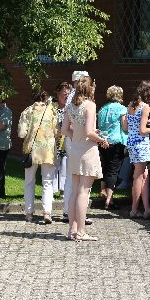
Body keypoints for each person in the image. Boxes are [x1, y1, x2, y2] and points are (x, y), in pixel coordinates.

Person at [61, 76, 108, 241]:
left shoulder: (70, 106)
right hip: (87, 151)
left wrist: (77, 136)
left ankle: (72, 230)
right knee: (83, 192)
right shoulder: (90, 105)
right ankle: (81, 231)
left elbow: (64, 130)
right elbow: (89, 131)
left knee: (74, 191)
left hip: (75, 150)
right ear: (90, 89)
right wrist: (102, 140)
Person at [17, 90, 58, 224]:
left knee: (29, 181)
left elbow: (21, 133)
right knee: (48, 182)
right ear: (45, 99)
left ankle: (29, 213)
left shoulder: (27, 111)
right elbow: (57, 131)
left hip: (31, 150)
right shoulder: (52, 111)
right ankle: (47, 212)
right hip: (48, 150)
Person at [124, 80, 150, 219]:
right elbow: (143, 130)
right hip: (141, 144)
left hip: (131, 143)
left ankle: (147, 210)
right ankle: (134, 210)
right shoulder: (145, 107)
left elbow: (126, 128)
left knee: (144, 175)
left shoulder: (131, 105)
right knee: (138, 176)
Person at [62, 70, 93, 225]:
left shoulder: (70, 99)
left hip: (73, 142)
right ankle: (78, 219)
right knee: (83, 187)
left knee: (74, 184)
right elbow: (87, 130)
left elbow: (64, 128)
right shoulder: (87, 102)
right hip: (83, 144)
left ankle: (72, 223)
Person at [97, 85, 128, 210]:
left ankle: (103, 193)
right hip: (116, 142)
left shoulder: (102, 109)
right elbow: (125, 127)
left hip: (103, 141)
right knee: (113, 170)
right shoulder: (121, 109)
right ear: (119, 95)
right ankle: (109, 200)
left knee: (105, 168)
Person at [53, 81, 72, 195]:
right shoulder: (52, 108)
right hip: (55, 140)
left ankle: (64, 190)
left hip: (67, 140)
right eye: (64, 94)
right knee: (54, 165)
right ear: (58, 94)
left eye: (68, 95)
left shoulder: (70, 108)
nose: (66, 97)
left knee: (65, 164)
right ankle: (53, 189)